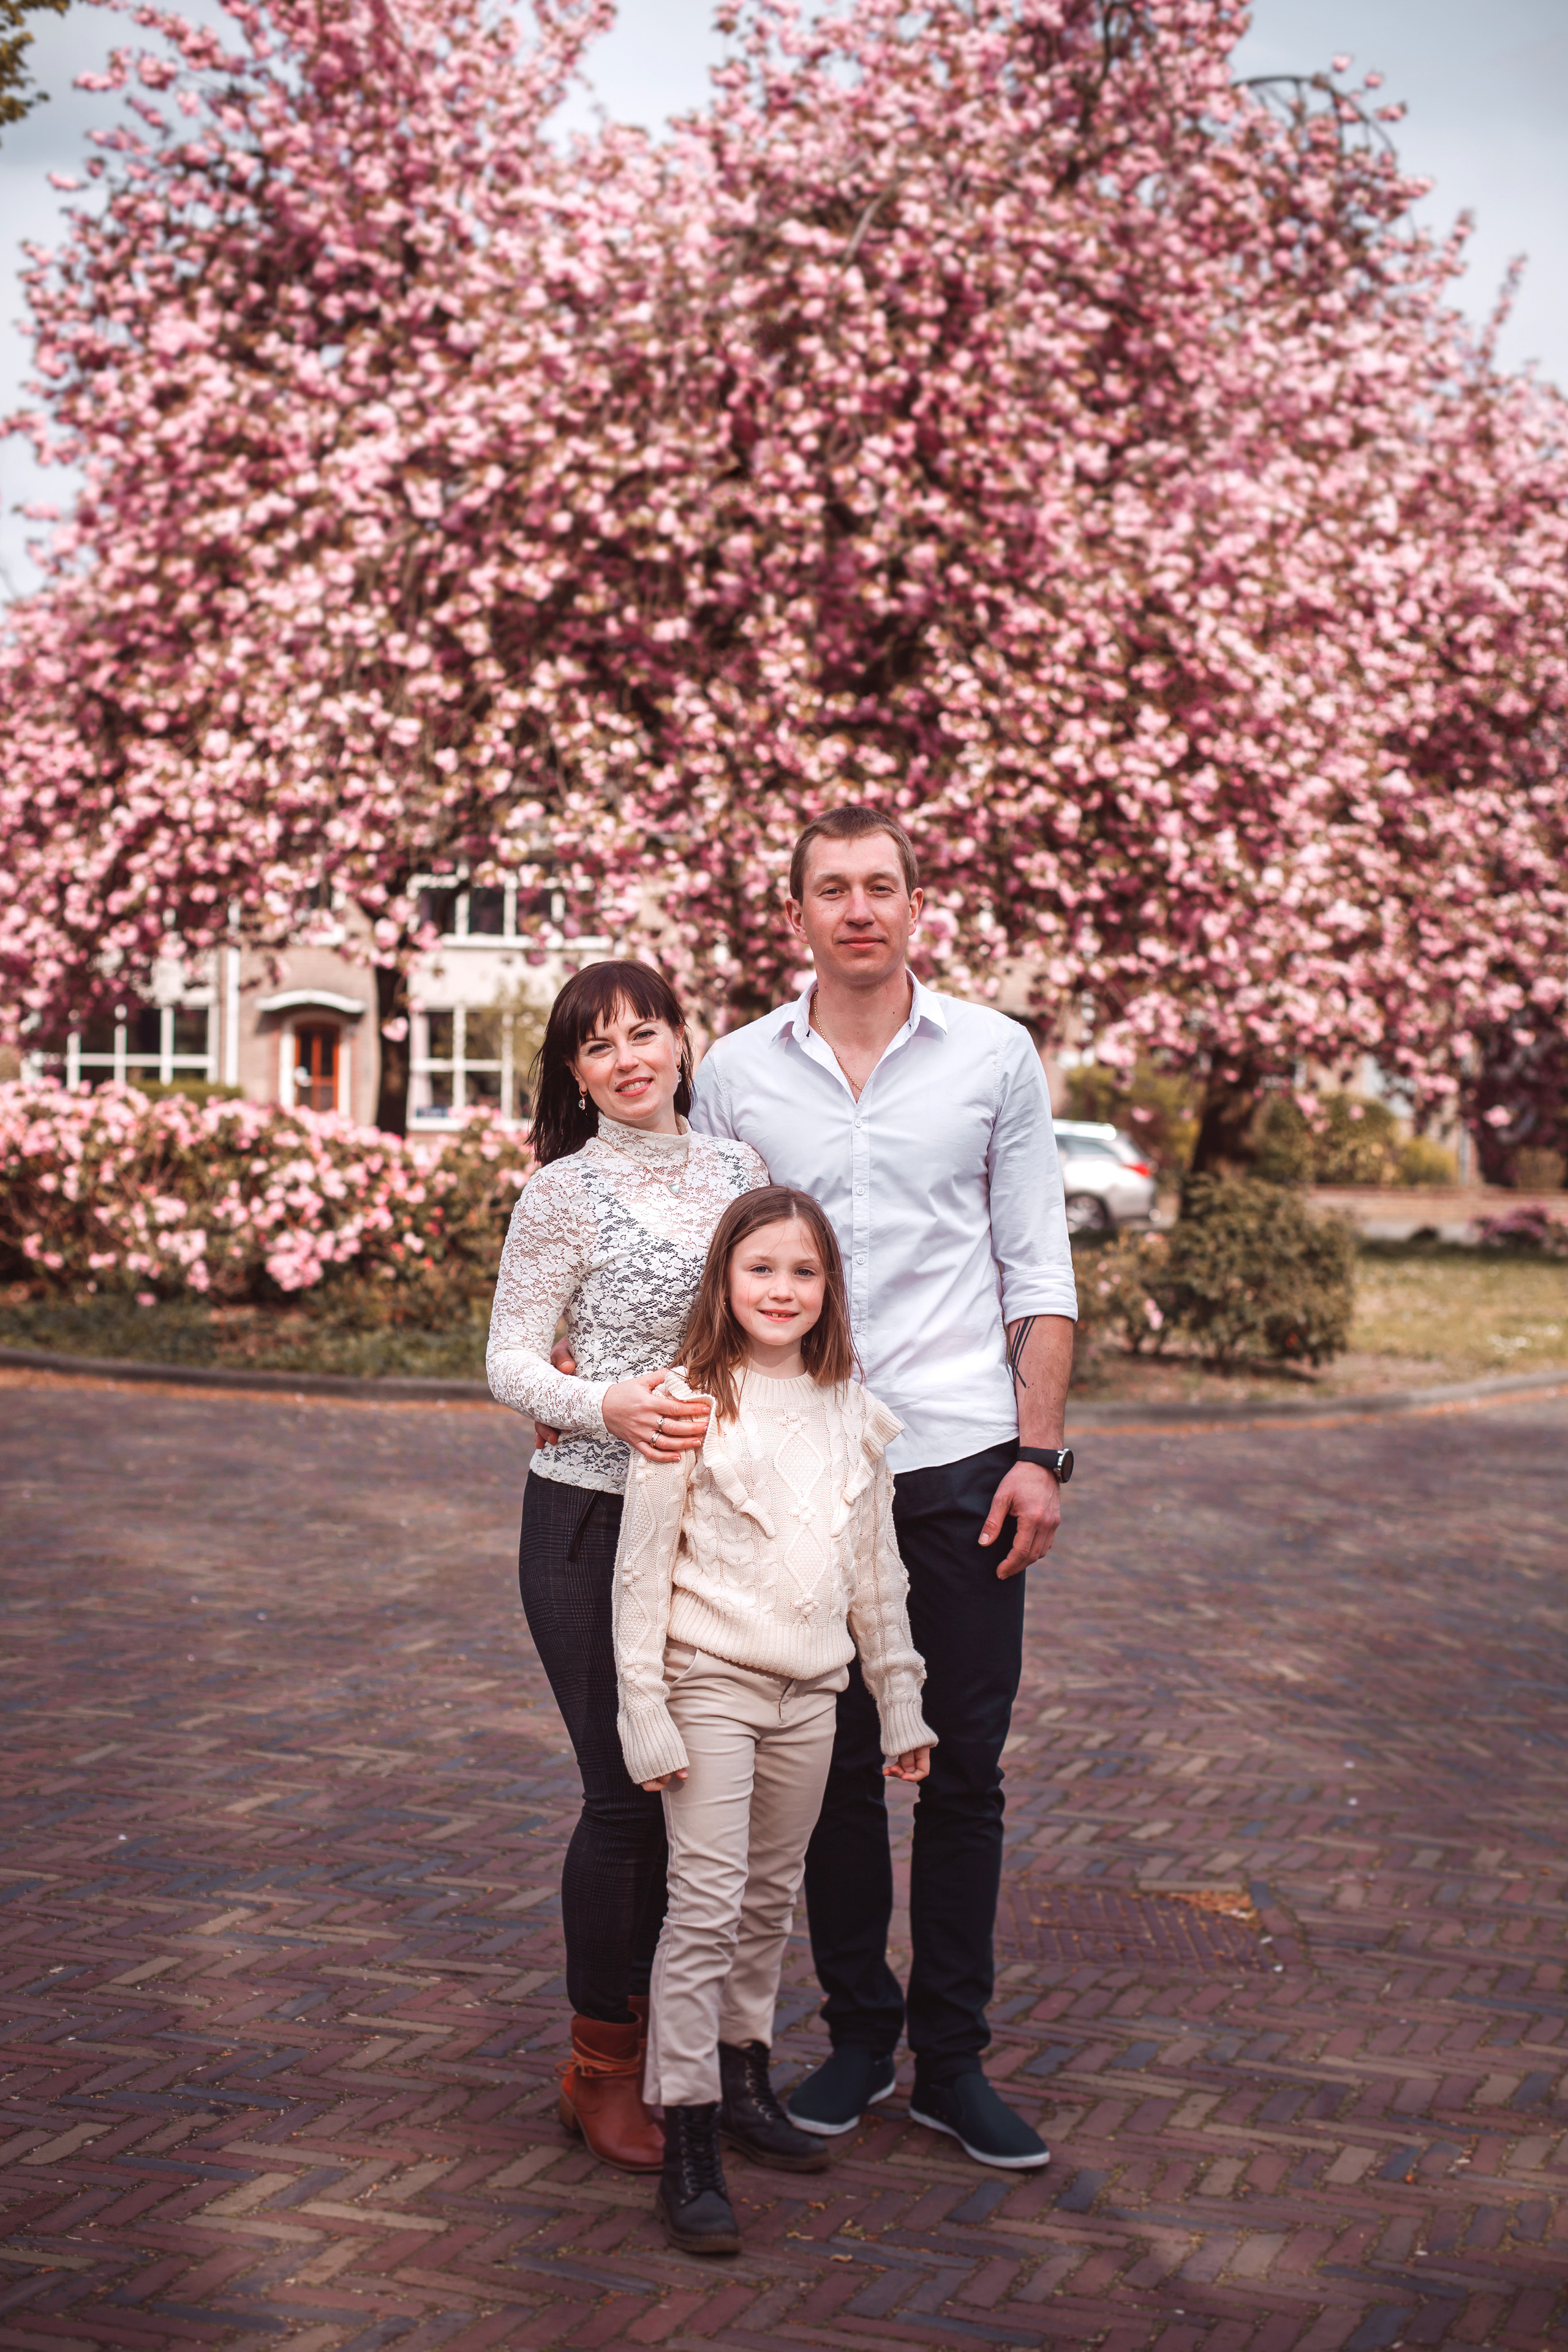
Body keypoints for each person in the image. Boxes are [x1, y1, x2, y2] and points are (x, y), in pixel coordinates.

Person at [688, 805, 1078, 2171]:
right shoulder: (735, 1072)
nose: (859, 909)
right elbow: (711, 1267)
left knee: (961, 1770)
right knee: (833, 1769)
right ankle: (858, 2037)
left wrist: (1036, 1456)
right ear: (791, 915)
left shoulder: (991, 1056)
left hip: (962, 1456)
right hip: (803, 1466)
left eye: (882, 886)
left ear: (918, 905)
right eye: (831, 890)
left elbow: (1036, 1265)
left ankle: (951, 2061)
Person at [612, 1186, 935, 2255]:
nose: (783, 1290)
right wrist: (644, 1713)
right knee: (703, 1904)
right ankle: (689, 2125)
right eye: (761, 1269)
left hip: (814, 1696)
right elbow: (639, 1574)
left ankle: (746, 2081)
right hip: (709, 1686)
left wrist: (901, 1704)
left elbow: (876, 1576)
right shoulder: (689, 1399)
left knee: (766, 1898)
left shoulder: (855, 1410)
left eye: (804, 1272)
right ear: (725, 1281)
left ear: (829, 1287)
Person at [486, 960, 767, 2174]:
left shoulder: (742, 1175)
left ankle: (682, 2055)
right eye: (597, 1046)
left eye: (644, 1032)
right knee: (624, 1796)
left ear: (679, 1038)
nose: (628, 1058)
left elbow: (779, 1316)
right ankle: (598, 2070)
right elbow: (505, 1361)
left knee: (705, 1803)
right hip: (587, 1525)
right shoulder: (559, 1193)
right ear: (573, 1073)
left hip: (716, 1534)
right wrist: (598, 1401)